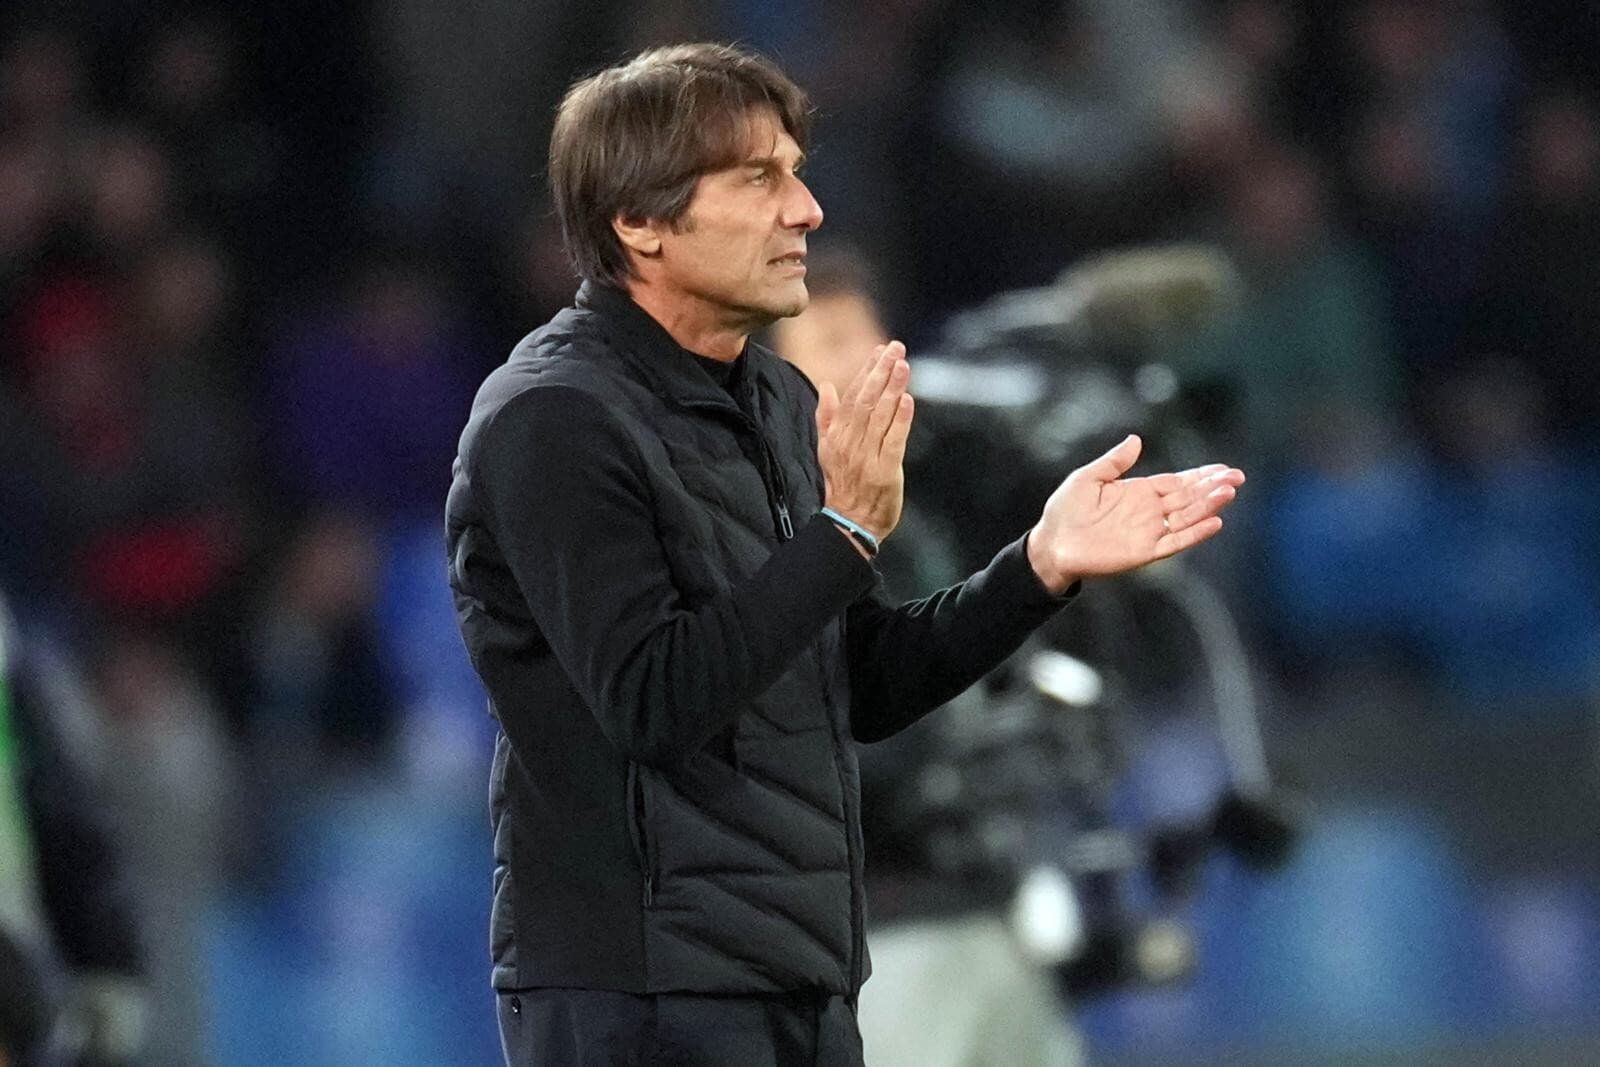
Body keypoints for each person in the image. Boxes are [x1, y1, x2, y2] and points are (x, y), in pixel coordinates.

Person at [446, 43, 1243, 1066]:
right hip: (642, 991)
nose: (806, 210)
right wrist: (846, 532)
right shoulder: (555, 419)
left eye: (797, 172)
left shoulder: (776, 402)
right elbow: (652, 700)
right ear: (639, 222)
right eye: (758, 179)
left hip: (800, 973)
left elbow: (853, 681)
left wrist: (1038, 565)